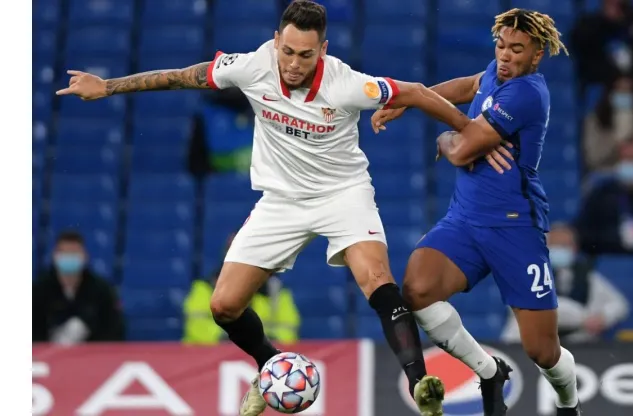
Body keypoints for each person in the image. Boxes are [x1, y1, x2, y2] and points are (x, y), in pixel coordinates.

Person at [56, 2, 500, 415]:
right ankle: (271, 366)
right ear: (275, 40)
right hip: (281, 201)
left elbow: (418, 92)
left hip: (343, 195)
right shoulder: (253, 65)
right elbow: (184, 75)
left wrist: (471, 131)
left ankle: (420, 384)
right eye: (287, 51)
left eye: (305, 55)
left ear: (322, 50)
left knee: (379, 282)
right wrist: (108, 86)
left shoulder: (346, 84)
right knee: (224, 306)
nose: (292, 63)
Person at [373, 9, 583, 415]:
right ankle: (489, 372)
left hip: (514, 228)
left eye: (516, 50)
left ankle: (569, 404)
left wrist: (444, 132)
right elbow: (472, 85)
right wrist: (411, 103)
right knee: (417, 290)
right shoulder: (497, 72)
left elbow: (464, 149)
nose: (504, 56)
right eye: (501, 46)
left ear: (536, 56)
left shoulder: (527, 93)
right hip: (465, 220)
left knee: (542, 350)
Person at [500, 223, 629, 344]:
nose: (560, 250)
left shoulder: (586, 275)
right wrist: (584, 317)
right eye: (555, 245)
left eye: (565, 245)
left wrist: (602, 318)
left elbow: (619, 304)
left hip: (575, 337)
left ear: (574, 248)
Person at [182, 233, 301, 345]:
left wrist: (262, 341)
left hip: (262, 357)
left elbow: (289, 331)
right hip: (209, 360)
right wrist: (229, 340)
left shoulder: (276, 292)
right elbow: (196, 327)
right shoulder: (205, 288)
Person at [32, 231, 125, 344]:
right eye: (65, 253)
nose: (69, 257)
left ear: (84, 256)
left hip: (91, 356)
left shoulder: (102, 290)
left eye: (74, 253)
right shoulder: (39, 290)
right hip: (47, 356)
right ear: (55, 256)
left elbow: (114, 327)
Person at [582, 75, 633, 173]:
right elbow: (592, 158)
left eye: (628, 91)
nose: (624, 95)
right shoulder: (595, 121)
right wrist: (615, 143)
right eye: (619, 90)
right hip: (605, 172)